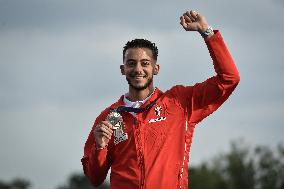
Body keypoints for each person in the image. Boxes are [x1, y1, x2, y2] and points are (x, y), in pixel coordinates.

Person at [81, 10, 240, 189]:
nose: (138, 69)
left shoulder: (180, 102)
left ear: (156, 68)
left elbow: (229, 78)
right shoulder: (111, 117)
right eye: (131, 63)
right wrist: (100, 147)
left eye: (145, 63)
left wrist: (207, 32)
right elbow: (95, 178)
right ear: (122, 69)